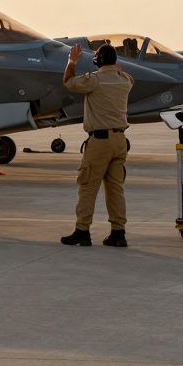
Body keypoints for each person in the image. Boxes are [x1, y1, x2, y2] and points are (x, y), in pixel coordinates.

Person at [60, 42, 134, 247]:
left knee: (87, 186)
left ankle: (82, 231)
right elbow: (123, 73)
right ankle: (118, 233)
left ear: (99, 60)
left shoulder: (94, 81)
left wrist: (71, 61)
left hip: (100, 142)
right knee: (115, 189)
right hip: (120, 142)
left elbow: (67, 81)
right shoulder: (125, 80)